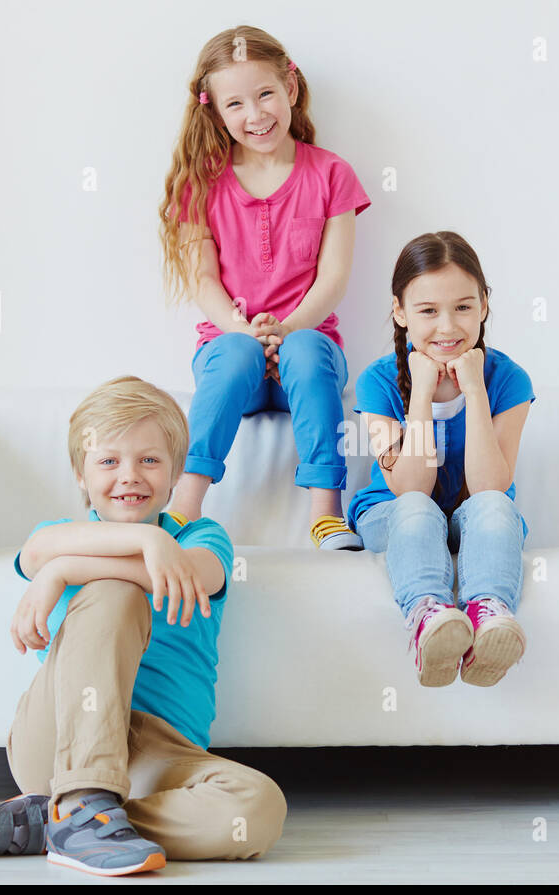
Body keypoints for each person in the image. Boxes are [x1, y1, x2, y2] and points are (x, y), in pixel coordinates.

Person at [0, 376, 286, 876]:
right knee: (115, 592)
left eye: (149, 460)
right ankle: (81, 801)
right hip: (58, 741)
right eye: (109, 461)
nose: (130, 476)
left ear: (175, 476)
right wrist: (143, 546)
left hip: (157, 753)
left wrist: (70, 570)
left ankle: (58, 821)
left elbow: (188, 578)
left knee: (259, 808)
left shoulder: (201, 537)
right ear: (81, 476)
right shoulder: (58, 537)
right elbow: (38, 553)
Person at [158, 25, 370, 550]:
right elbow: (204, 279)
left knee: (303, 348)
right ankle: (184, 506)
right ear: (215, 112)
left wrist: (288, 328)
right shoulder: (202, 183)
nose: (255, 115)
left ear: (291, 89)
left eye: (266, 94)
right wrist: (246, 333)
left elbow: (334, 277)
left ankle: (326, 514)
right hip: (234, 351)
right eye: (236, 104)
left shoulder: (331, 175)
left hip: (307, 349)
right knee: (231, 353)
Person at [347, 232, 536, 688]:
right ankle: (428, 617)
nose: (447, 327)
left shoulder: (508, 379)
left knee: (497, 506)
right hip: (395, 512)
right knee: (417, 508)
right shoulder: (377, 381)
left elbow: (490, 486)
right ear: (400, 312)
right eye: (428, 311)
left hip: (474, 514)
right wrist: (423, 392)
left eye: (463, 307)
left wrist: (474, 389)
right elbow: (411, 486)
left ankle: (487, 613)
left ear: (484, 304)